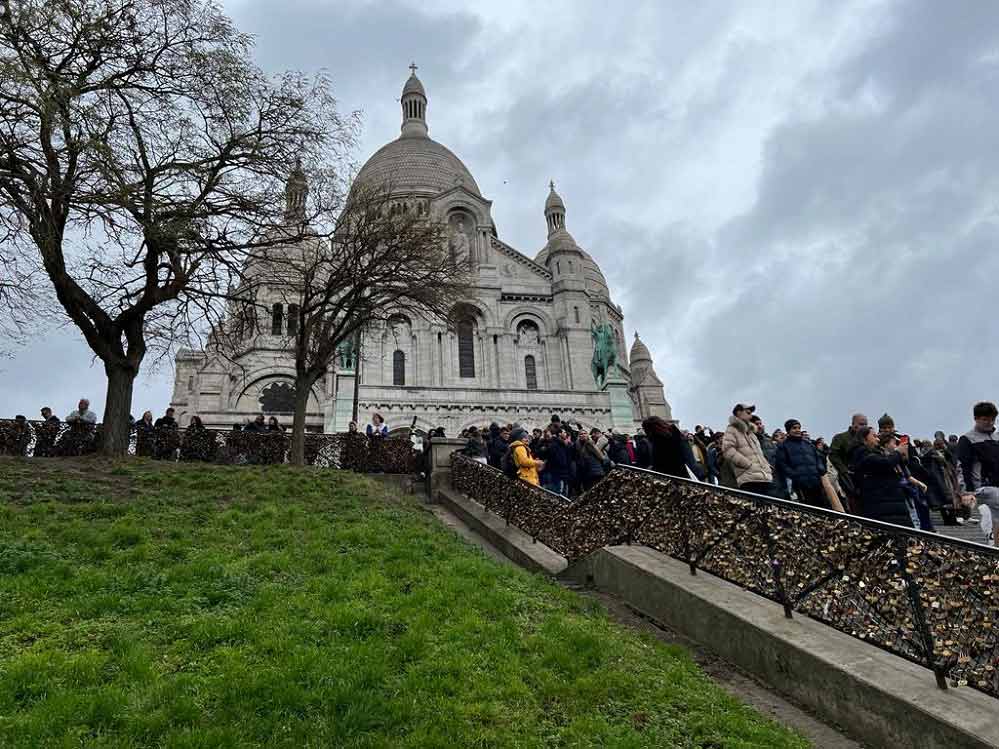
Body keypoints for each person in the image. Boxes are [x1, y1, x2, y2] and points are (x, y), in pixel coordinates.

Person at [850, 427, 915, 527]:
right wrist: (897, 452)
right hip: (882, 506)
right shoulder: (862, 454)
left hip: (889, 505)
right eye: (874, 436)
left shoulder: (873, 453)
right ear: (864, 439)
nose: (878, 439)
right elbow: (886, 463)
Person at [957, 401, 999, 519]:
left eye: (992, 419)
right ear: (976, 419)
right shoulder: (967, 439)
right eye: (985, 419)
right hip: (982, 487)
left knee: (996, 521)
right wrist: (966, 492)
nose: (990, 423)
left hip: (996, 486)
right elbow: (962, 467)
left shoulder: (997, 437)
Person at [722, 404, 774, 495]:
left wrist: (767, 466)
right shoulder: (732, 429)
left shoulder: (751, 433)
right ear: (738, 413)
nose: (751, 416)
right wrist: (747, 464)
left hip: (765, 477)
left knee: (768, 508)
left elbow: (759, 453)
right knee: (755, 507)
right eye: (748, 412)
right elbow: (727, 450)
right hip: (748, 478)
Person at [775, 419, 828, 507]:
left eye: (799, 428)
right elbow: (782, 464)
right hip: (800, 485)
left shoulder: (808, 444)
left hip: (816, 482)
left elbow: (818, 458)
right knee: (807, 509)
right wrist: (795, 475)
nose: (798, 430)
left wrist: (820, 469)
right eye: (794, 428)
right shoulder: (783, 446)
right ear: (788, 430)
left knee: (823, 508)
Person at [830, 413, 868, 511]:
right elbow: (833, 455)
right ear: (853, 424)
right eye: (861, 424)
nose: (864, 427)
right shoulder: (840, 438)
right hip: (847, 479)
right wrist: (844, 470)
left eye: (865, 424)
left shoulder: (867, 440)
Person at [543, 428, 573, 495]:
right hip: (558, 475)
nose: (565, 434)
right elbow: (559, 461)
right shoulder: (554, 445)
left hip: (563, 474)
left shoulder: (562, 444)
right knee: (559, 494)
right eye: (564, 432)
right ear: (559, 434)